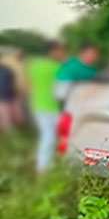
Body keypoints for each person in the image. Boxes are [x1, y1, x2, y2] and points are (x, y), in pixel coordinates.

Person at [28, 42, 68, 172]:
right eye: (61, 51)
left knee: (48, 135)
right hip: (52, 107)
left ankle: (46, 163)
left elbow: (30, 84)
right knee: (52, 136)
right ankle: (44, 167)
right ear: (54, 51)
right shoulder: (58, 68)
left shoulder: (35, 65)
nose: (63, 53)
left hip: (37, 105)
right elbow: (62, 93)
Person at [0, 61, 15, 131]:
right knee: (5, 111)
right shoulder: (6, 69)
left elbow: (12, 81)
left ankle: (7, 127)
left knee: (5, 111)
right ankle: (6, 126)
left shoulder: (6, 69)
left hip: (5, 93)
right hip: (5, 93)